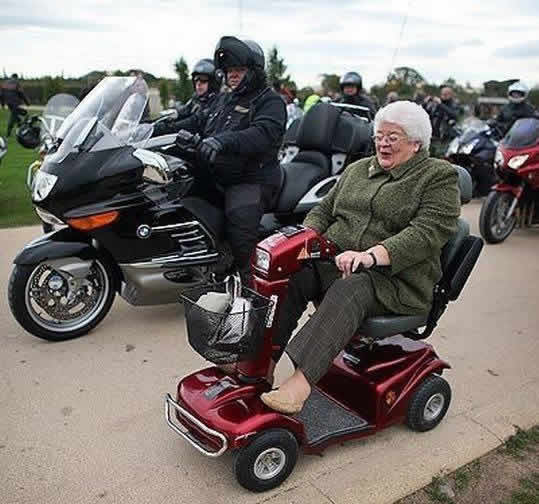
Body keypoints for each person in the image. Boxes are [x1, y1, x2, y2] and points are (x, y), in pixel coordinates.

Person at [260, 100, 460, 414]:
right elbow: (323, 211)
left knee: (351, 287)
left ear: (416, 143)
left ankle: (300, 383)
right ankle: (263, 365)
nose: (382, 142)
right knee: (292, 277)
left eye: (393, 137)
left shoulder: (437, 177)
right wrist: (304, 241)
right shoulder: (356, 170)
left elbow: (427, 232)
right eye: (379, 135)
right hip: (339, 265)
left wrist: (371, 256)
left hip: (397, 282)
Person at [165, 36, 286, 282]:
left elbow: (262, 134)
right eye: (229, 70)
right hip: (217, 174)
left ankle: (253, 286)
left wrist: (223, 141)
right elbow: (197, 121)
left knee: (239, 227)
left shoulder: (269, 101)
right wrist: (158, 127)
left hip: (251, 178)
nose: (232, 75)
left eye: (239, 70)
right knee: (173, 198)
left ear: (253, 71)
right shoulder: (224, 99)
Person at [425, 86, 462, 158]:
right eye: (442, 94)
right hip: (434, 136)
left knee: (441, 157)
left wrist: (440, 104)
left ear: (451, 95)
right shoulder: (436, 104)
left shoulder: (454, 104)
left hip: (446, 138)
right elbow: (426, 114)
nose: (443, 96)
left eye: (445, 94)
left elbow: (454, 115)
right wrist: (425, 103)